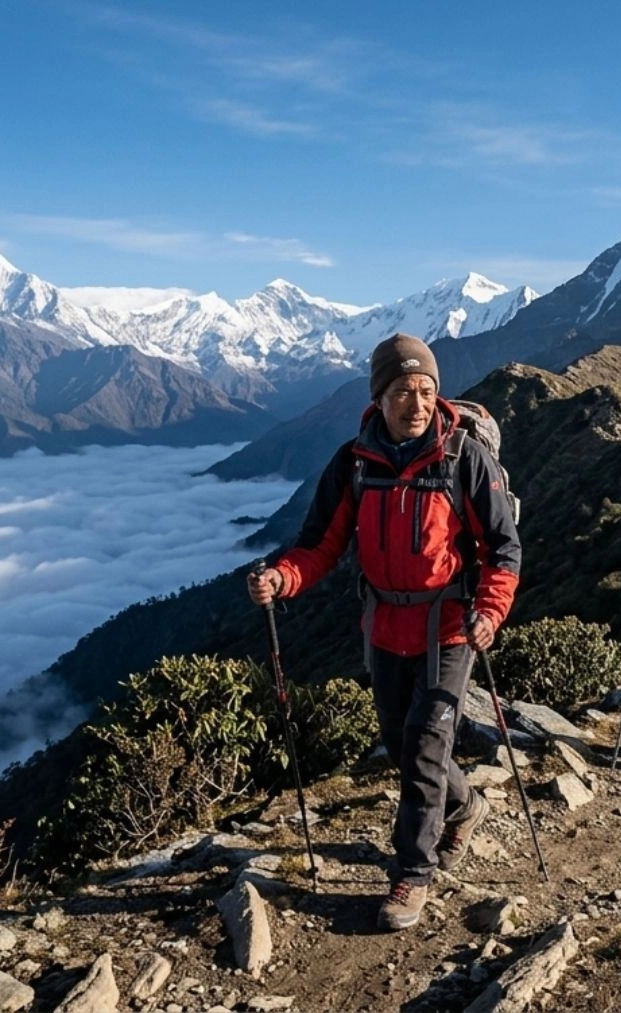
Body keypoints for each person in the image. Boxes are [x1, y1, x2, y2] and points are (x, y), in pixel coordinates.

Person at [246, 333, 520, 932]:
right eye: (403, 391)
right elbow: (320, 545)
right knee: (402, 746)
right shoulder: (354, 464)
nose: (417, 403)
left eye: (426, 390)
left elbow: (502, 549)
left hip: (447, 627)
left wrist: (490, 611)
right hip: (384, 628)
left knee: (424, 746)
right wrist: (282, 578)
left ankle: (411, 875)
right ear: (379, 397)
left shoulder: (463, 459)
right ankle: (467, 805)